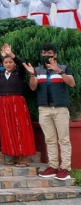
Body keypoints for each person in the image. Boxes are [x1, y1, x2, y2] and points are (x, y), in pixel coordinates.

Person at [0, 45, 36, 167]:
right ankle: (14, 155)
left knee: (21, 128)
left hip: (17, 102)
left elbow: (21, 65)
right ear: (2, 64)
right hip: (4, 103)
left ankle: (24, 157)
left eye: (10, 62)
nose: (8, 64)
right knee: (8, 129)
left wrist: (11, 54)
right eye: (6, 62)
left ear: (14, 64)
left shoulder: (19, 73)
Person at [28, 43, 76, 181]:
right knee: (50, 139)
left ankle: (65, 168)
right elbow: (33, 87)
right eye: (44, 53)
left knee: (64, 139)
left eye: (49, 53)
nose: (46, 55)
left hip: (60, 108)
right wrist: (32, 74)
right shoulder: (37, 70)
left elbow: (72, 83)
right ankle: (53, 166)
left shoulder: (64, 68)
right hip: (44, 109)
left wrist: (59, 71)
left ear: (55, 55)